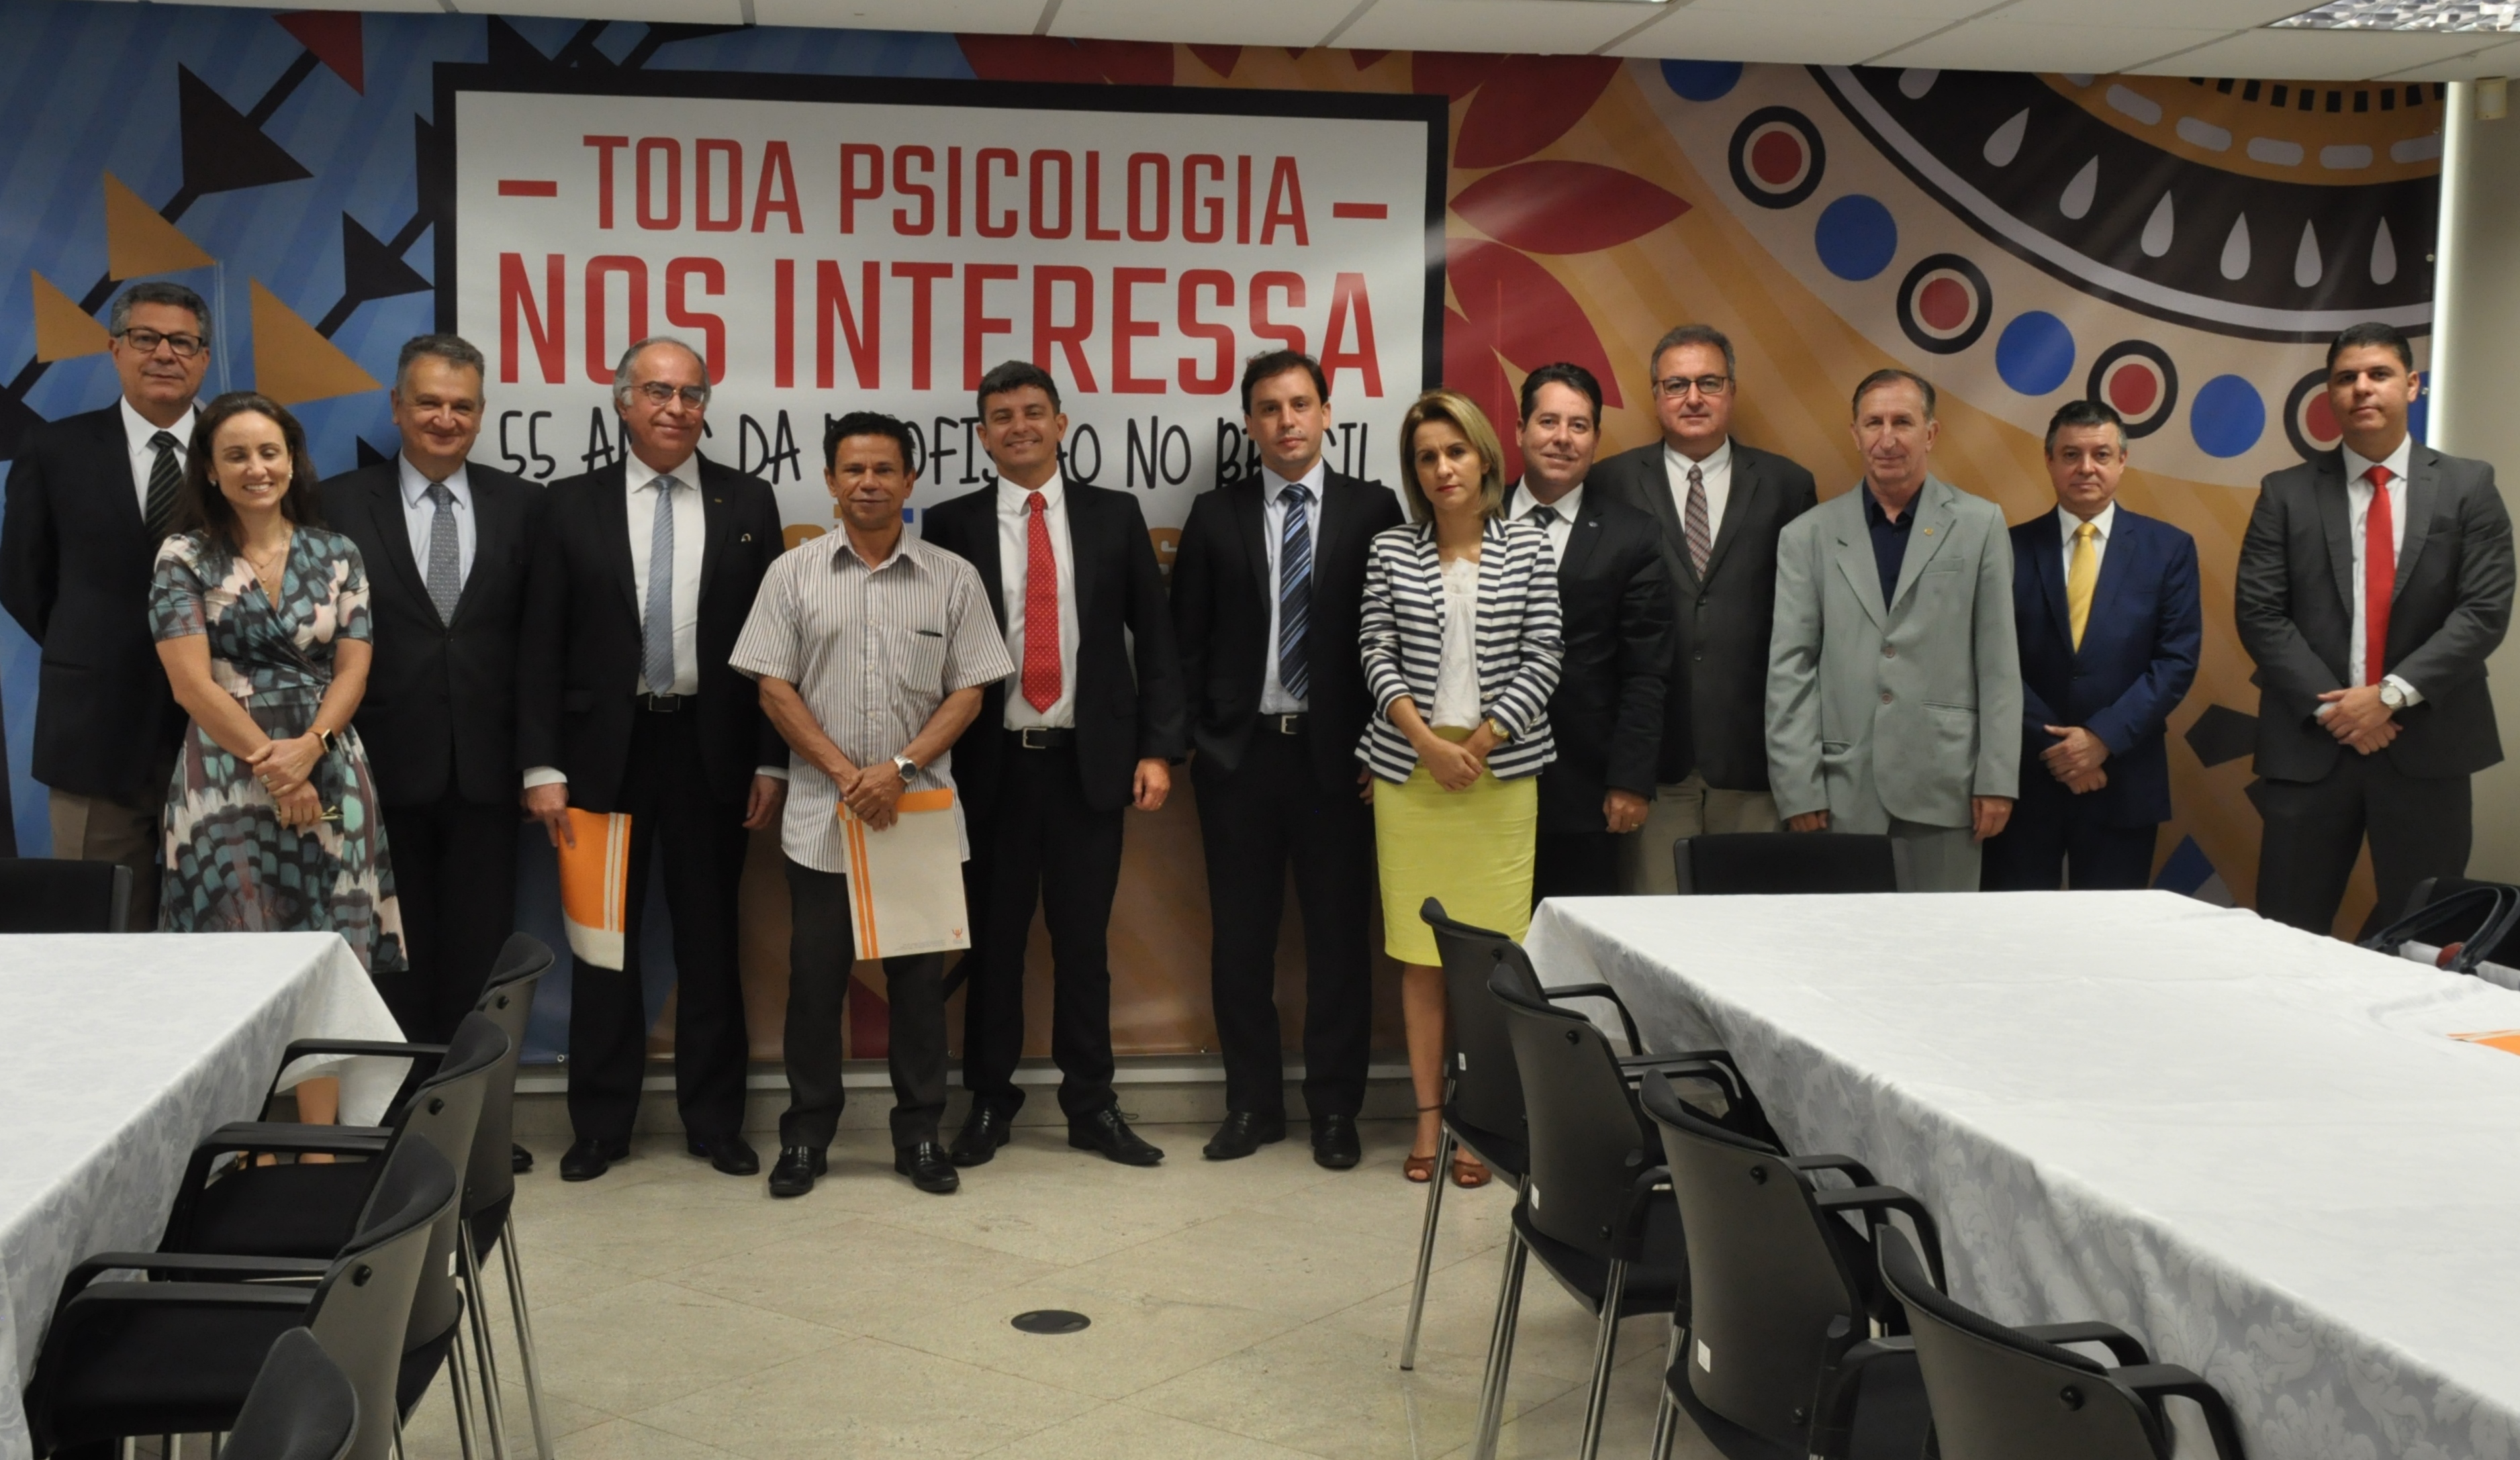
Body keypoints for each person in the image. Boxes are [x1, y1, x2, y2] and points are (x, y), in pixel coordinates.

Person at [517, 337, 786, 1183]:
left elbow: (775, 644)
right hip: (601, 756)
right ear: (624, 402)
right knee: (604, 946)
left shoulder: (749, 499)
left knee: (711, 942)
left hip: (713, 750)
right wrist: (541, 766)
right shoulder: (568, 505)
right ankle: (601, 1126)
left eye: (691, 394)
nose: (676, 408)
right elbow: (539, 643)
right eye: (659, 392)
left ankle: (716, 1122)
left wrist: (772, 761)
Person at [731, 412, 1013, 1198]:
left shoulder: (953, 577)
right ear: (830, 481)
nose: (869, 484)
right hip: (823, 816)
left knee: (918, 989)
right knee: (814, 982)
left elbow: (971, 691)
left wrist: (898, 770)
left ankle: (920, 1135)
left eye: (885, 470)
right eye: (853, 470)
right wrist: (847, 774)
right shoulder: (793, 574)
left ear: (909, 480)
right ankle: (806, 1137)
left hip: (915, 815)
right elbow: (772, 687)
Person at [918, 361, 1186, 1169]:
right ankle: (988, 1104)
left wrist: (1157, 748)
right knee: (993, 947)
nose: (1020, 427)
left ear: (1062, 423)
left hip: (1088, 767)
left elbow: (1156, 639)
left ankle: (1092, 1106)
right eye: (1002, 417)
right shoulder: (952, 523)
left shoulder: (1114, 515)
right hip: (990, 769)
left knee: (1083, 946)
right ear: (982, 435)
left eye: (1034, 412)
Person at [1170, 351, 1403, 1168]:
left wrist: (1384, 746)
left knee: (1340, 942)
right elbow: (1184, 641)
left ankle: (1335, 1111)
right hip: (1242, 761)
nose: (1287, 421)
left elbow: (1399, 635)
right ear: (1249, 424)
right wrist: (1196, 742)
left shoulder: (1374, 509)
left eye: (1301, 404)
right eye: (1269, 409)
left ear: (1328, 413)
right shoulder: (1215, 514)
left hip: (1342, 762)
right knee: (1242, 942)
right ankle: (1252, 1106)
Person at [2237, 322, 2514, 936]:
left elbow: (2483, 611)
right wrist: (2339, 711)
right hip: (2311, 749)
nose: (2361, 388)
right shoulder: (2284, 493)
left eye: (2378, 374)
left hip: (2428, 747)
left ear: (2411, 385)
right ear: (2329, 394)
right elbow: (2259, 613)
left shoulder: (2469, 486)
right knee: (2285, 935)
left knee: (2425, 939)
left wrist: (2387, 697)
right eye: (2346, 378)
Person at [1360, 390, 1562, 1186]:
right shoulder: (1390, 550)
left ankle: (1481, 1122)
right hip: (1412, 777)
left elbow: (1546, 655)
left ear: (1484, 457)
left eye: (1455, 451)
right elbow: (1374, 650)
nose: (1442, 468)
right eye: (1426, 457)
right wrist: (1427, 745)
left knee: (1488, 963)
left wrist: (1478, 744)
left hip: (1499, 776)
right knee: (1420, 959)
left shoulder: (1530, 546)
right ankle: (1426, 1121)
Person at [321, 336, 543, 1047]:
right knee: (389, 956)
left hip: (488, 772)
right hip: (376, 771)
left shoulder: (525, 506)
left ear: (480, 413)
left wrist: (538, 761)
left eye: (462, 406)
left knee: (481, 958)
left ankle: (466, 1103)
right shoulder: (334, 504)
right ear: (396, 406)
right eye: (428, 403)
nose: (445, 419)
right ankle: (396, 1101)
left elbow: (542, 643)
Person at [148, 393, 405, 985]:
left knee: (333, 953)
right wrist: (277, 769)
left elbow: (353, 672)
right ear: (210, 470)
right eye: (236, 455)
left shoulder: (338, 553)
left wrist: (311, 748)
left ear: (291, 460)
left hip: (330, 769)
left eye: (269, 452)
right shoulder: (183, 556)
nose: (256, 468)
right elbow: (191, 685)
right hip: (224, 778)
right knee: (228, 956)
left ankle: (329, 1054)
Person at [2, 283, 212, 917]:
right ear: (115, 349)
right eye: (146, 338)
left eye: (183, 342)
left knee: (222, 931)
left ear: (204, 358)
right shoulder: (54, 449)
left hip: (220, 735)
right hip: (94, 731)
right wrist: (93, 646)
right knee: (96, 930)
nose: (164, 354)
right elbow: (22, 579)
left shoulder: (243, 451)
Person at [1767, 369, 2019, 891]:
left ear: (1930, 433)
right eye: (1873, 423)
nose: (1887, 438)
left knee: (1940, 939)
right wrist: (1797, 785)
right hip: (1839, 790)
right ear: (1854, 434)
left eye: (1902, 422)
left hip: (1947, 786)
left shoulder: (1980, 525)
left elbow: (1998, 663)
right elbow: (1790, 669)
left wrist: (1997, 779)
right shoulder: (1806, 535)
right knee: (1844, 939)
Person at [1587, 325, 1816, 891]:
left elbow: (1809, 629)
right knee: (1655, 928)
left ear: (1731, 391)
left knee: (1750, 928)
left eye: (1708, 383)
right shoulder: (1609, 482)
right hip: (1650, 764)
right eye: (1676, 385)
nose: (1692, 398)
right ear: (1655, 395)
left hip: (1753, 760)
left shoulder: (1788, 485)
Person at [1983, 399, 2200, 891]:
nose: (2085, 468)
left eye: (2100, 454)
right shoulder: (2006, 549)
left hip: (2123, 776)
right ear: (2048, 460)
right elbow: (1991, 660)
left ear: (2122, 461)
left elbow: (2176, 661)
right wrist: (2057, 748)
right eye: (2070, 455)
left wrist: (2101, 739)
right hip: (2024, 778)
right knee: (2015, 927)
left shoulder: (2168, 549)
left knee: (2111, 932)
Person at [1503, 362, 1671, 899]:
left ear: (1596, 439)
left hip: (1582, 788)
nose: (1562, 438)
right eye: (1547, 421)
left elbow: (1645, 670)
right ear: (1520, 430)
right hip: (1476, 780)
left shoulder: (1632, 535)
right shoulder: (1471, 517)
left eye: (1578, 425)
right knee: (1483, 935)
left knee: (1571, 942)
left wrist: (1629, 779)